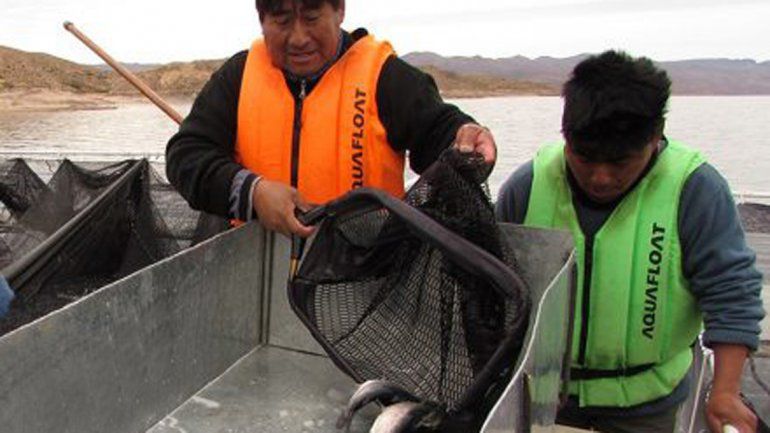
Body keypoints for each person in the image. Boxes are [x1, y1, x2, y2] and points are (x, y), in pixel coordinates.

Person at [496, 50, 765, 433]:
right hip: (540, 403)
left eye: (620, 162)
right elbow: (492, 294)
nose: (601, 178)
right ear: (565, 135)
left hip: (645, 410)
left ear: (655, 138)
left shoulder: (696, 190)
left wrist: (725, 392)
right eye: (585, 158)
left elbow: (732, 292)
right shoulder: (527, 186)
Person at [166, 0, 495, 237]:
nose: (298, 37)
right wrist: (254, 193)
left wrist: (468, 138)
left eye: (311, 16)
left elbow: (442, 134)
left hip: (365, 278)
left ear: (339, 10)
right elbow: (186, 156)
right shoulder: (237, 77)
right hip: (254, 277)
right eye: (281, 20)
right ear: (261, 19)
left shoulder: (386, 78)